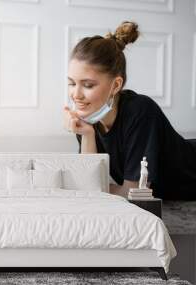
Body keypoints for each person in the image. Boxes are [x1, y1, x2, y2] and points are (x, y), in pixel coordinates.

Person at [63, 20, 196, 200]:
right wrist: (87, 135)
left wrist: (93, 188)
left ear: (116, 84)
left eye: (87, 85)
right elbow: (89, 182)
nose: (76, 95)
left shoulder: (140, 111)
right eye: (71, 83)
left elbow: (134, 193)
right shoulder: (87, 116)